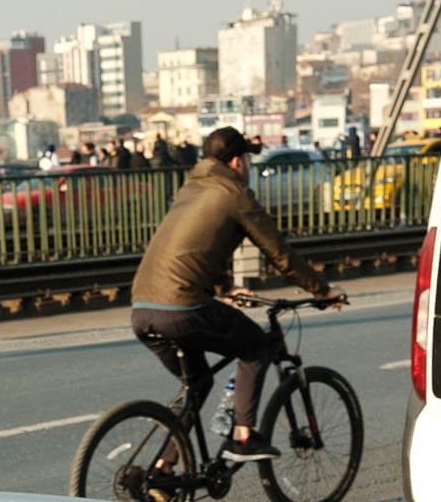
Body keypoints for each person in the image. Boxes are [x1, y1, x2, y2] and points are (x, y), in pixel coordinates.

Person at [130, 123, 336, 473]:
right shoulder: (235, 194)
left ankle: (162, 469)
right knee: (256, 347)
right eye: (249, 161)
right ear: (238, 162)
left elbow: (193, 251)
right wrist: (323, 290)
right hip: (182, 307)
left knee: (198, 383)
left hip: (142, 310)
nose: (250, 169)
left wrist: (225, 288)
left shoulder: (191, 189)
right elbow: (279, 253)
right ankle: (243, 437)